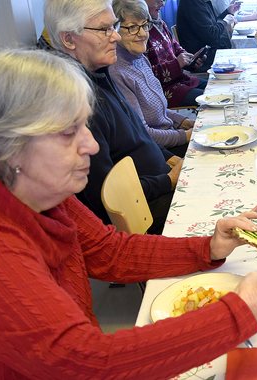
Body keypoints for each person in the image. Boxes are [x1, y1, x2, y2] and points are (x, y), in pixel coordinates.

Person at [0, 48, 257, 378]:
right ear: (9, 146)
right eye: (68, 132)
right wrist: (241, 313)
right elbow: (88, 363)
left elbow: (109, 252)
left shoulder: (29, 188)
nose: (91, 145)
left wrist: (207, 248)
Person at [44, 0, 181, 235]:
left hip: (159, 186)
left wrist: (171, 160)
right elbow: (106, 196)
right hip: (144, 215)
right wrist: (168, 180)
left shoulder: (100, 72)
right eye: (105, 29)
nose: (116, 37)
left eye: (114, 27)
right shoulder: (79, 101)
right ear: (68, 39)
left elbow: (139, 135)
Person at [109, 0, 193, 154]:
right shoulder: (117, 72)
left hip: (169, 136)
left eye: (144, 25)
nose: (142, 33)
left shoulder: (139, 57)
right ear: (115, 30)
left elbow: (158, 113)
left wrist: (184, 121)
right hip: (158, 151)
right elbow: (143, 133)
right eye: (132, 27)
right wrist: (186, 136)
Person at [143, 0, 208, 108]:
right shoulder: (140, 35)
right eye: (158, 1)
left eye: (163, 1)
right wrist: (177, 64)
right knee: (211, 98)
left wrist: (189, 60)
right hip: (164, 90)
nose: (163, 5)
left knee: (217, 89)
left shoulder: (159, 23)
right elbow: (146, 76)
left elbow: (176, 47)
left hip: (180, 80)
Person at [176, 0, 238, 72]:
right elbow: (211, 35)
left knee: (238, 58)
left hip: (210, 51)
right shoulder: (192, 3)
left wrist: (227, 12)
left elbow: (213, 25)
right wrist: (225, 22)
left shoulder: (202, 2)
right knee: (237, 62)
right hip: (201, 59)